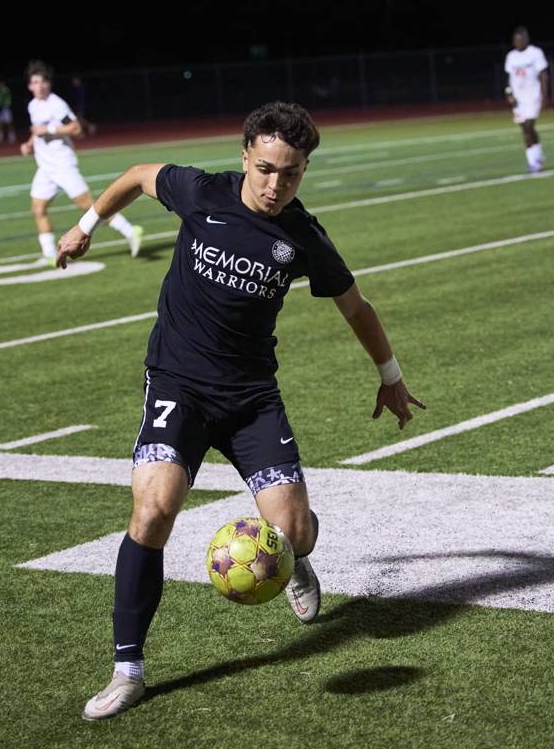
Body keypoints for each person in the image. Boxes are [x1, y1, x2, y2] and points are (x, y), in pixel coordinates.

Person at [55, 101, 425, 720]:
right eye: (265, 168)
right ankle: (128, 669)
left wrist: (390, 377)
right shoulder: (200, 192)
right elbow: (137, 174)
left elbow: (356, 307)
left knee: (294, 532)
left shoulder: (302, 234)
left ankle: (298, 557)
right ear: (244, 155)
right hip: (179, 385)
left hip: (252, 401)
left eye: (292, 173)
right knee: (152, 512)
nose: (276, 185)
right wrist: (88, 222)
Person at [20, 61, 142, 262]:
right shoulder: (33, 105)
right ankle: (49, 254)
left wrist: (48, 130)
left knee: (90, 206)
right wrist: (29, 143)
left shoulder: (56, 104)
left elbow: (76, 129)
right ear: (29, 86)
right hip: (45, 168)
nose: (39, 86)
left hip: (62, 165)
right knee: (38, 208)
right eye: (35, 82)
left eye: (43, 82)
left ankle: (131, 231)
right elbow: (38, 129)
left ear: (48, 84)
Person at [503, 26, 549, 173]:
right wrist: (509, 93)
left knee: (529, 126)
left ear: (526, 39)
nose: (518, 42)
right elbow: (509, 78)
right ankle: (534, 158)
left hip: (532, 96)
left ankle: (535, 163)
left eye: (520, 40)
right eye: (515, 40)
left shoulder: (535, 53)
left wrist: (544, 95)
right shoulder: (511, 56)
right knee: (525, 130)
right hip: (518, 99)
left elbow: (543, 74)